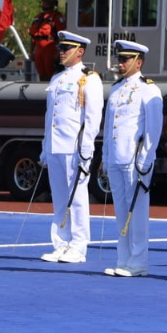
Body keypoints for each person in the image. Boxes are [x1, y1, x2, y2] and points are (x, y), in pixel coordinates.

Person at [39, 31, 103, 264]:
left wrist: (86, 149)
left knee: (77, 197)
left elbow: (92, 118)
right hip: (56, 146)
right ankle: (61, 243)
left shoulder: (89, 78)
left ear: (80, 51)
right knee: (59, 197)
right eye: (61, 48)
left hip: (74, 147)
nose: (62, 51)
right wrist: (46, 147)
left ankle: (78, 245)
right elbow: (50, 116)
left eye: (67, 48)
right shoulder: (56, 78)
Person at [101, 40, 163, 277]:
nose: (121, 62)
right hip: (116, 158)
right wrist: (106, 159)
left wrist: (145, 160)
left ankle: (138, 262)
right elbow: (109, 128)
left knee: (136, 212)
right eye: (120, 58)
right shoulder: (116, 89)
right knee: (120, 210)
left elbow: (153, 130)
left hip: (135, 159)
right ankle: (123, 259)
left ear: (138, 62)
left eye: (126, 59)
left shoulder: (148, 89)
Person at [29, 0, 66, 81]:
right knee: (42, 75)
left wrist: (59, 52)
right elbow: (33, 37)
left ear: (53, 3)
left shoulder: (57, 17)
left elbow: (63, 36)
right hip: (39, 51)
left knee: (52, 75)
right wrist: (31, 52)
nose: (45, 2)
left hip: (51, 50)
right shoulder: (38, 17)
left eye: (47, 0)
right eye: (44, 0)